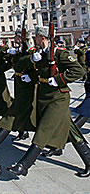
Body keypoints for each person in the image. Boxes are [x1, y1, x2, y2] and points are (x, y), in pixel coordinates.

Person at [7, 26, 90, 178]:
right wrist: (31, 73)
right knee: (72, 132)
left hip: (58, 98)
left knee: (44, 130)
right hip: (44, 96)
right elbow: (34, 71)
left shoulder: (59, 53)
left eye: (36, 36)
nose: (34, 39)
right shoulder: (39, 53)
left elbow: (79, 71)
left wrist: (59, 79)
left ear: (43, 37)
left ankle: (23, 165)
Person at [0, 28, 36, 151]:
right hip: (19, 83)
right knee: (18, 109)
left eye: (16, 36)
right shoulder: (17, 50)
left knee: (15, 111)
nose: (14, 38)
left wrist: (31, 76)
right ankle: (23, 132)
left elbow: (36, 68)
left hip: (28, 86)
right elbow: (13, 63)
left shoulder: (32, 51)